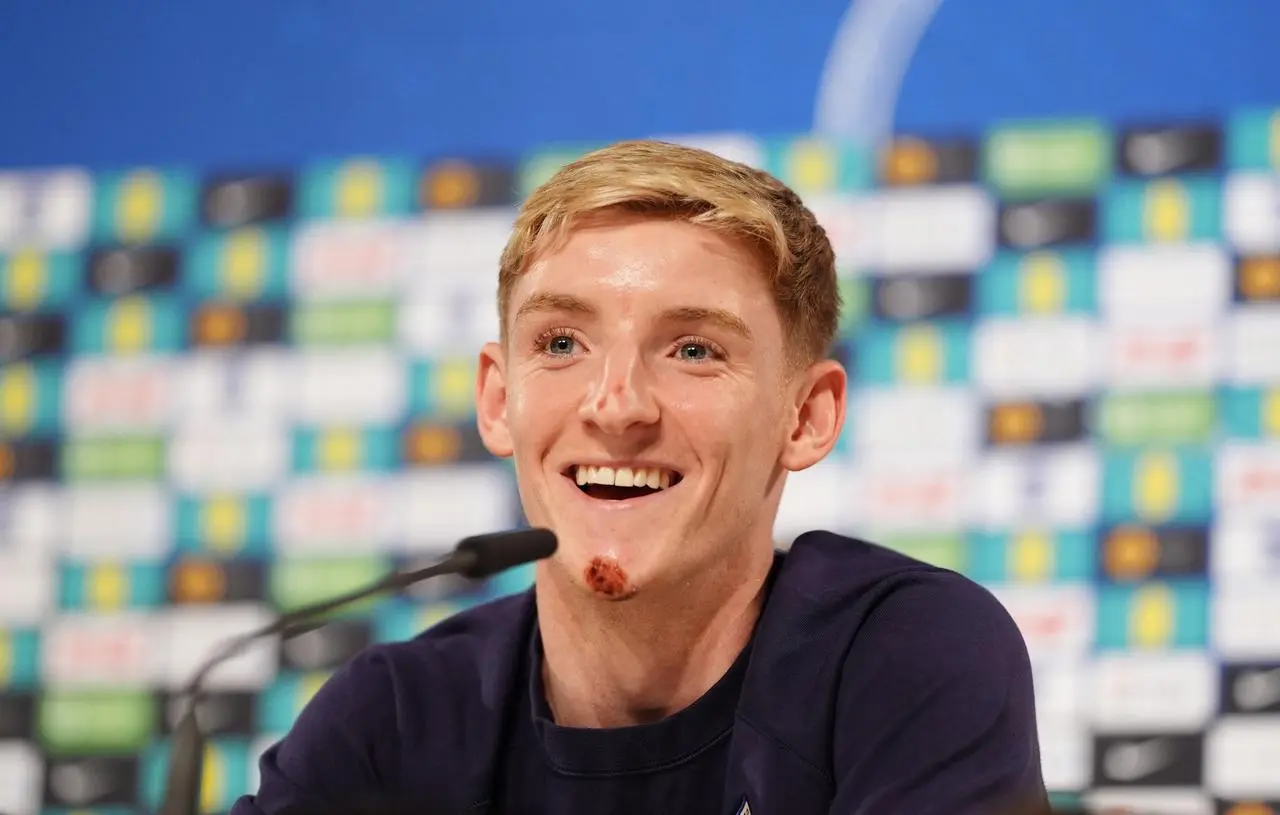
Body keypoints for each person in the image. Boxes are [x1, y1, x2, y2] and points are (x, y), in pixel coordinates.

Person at [229, 140, 1048, 815]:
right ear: (498, 397)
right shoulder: (397, 718)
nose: (616, 405)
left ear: (807, 418)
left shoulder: (907, 657)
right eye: (560, 343)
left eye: (694, 349)